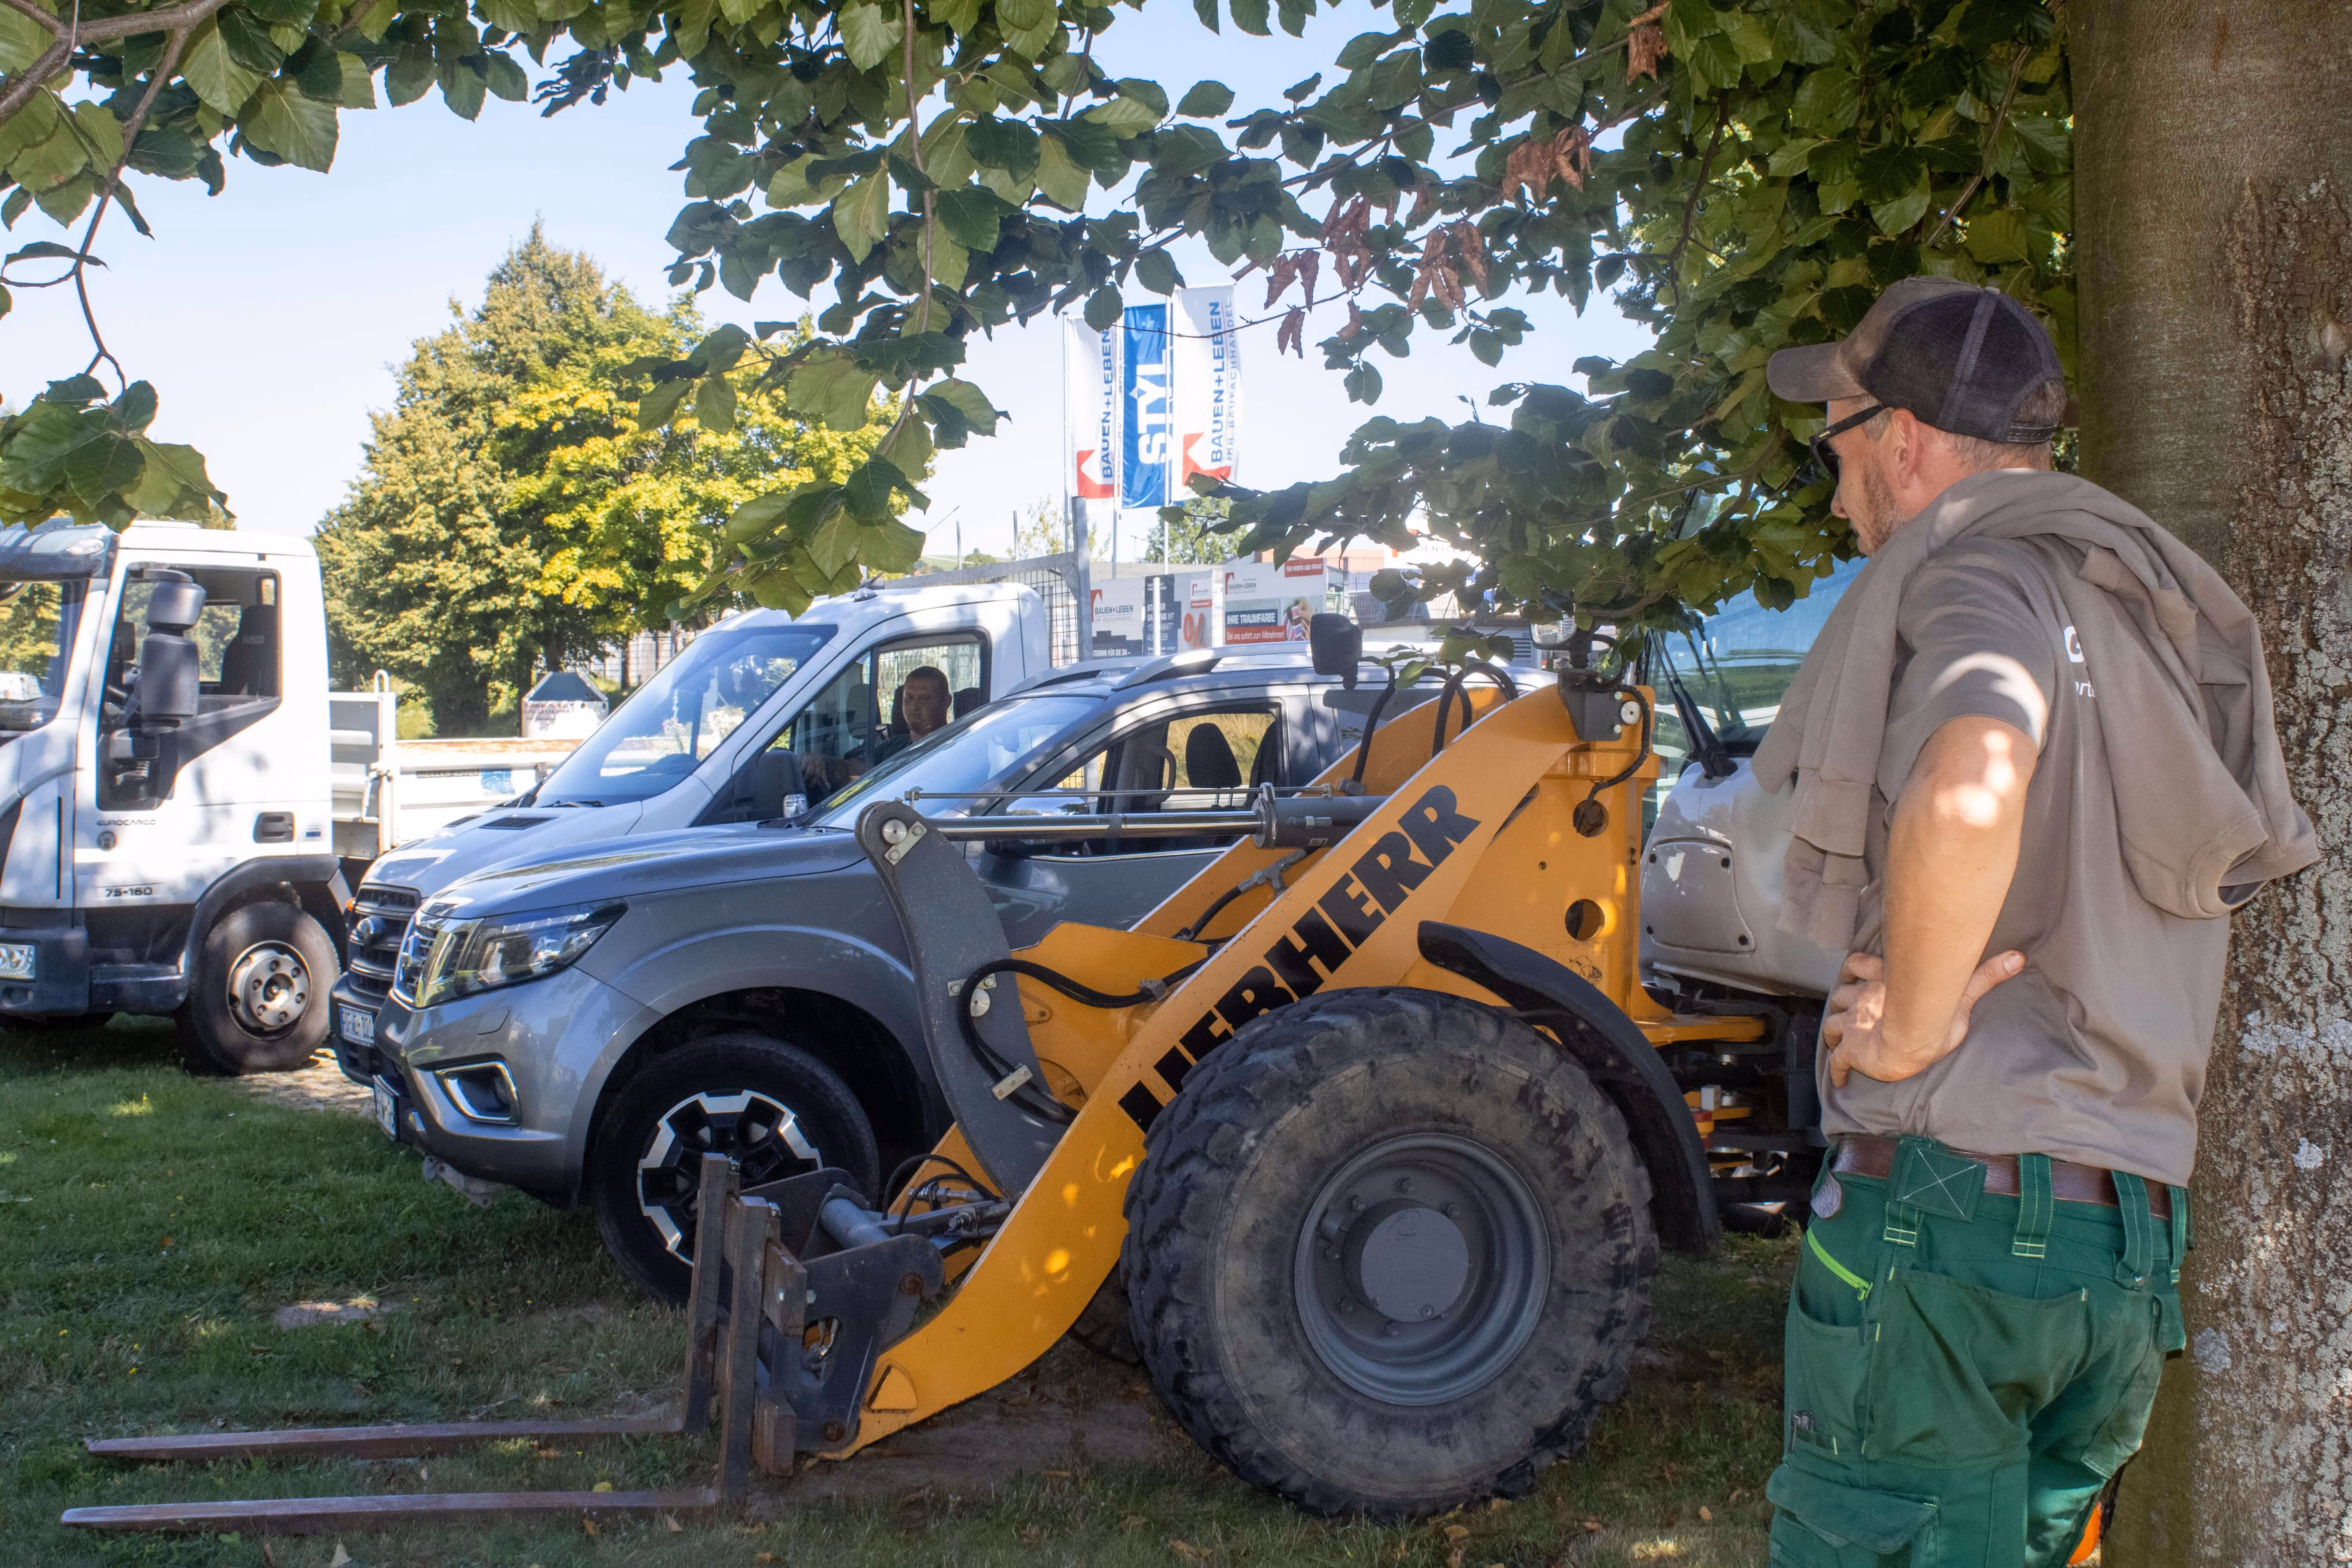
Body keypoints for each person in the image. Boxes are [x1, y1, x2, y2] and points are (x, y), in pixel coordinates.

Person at [1755, 276, 2316, 1565]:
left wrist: (1910, 1029)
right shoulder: (2141, 607)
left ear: (1900, 439)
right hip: (2119, 1256)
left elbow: (1968, 789)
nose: (1836, 491)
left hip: (1947, 1222)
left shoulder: (1979, 579)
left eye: (1834, 441)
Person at [874, 665, 952, 763]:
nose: (914, 706)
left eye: (925, 698)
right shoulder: (891, 748)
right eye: (909, 698)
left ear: (946, 703)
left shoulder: (955, 748)